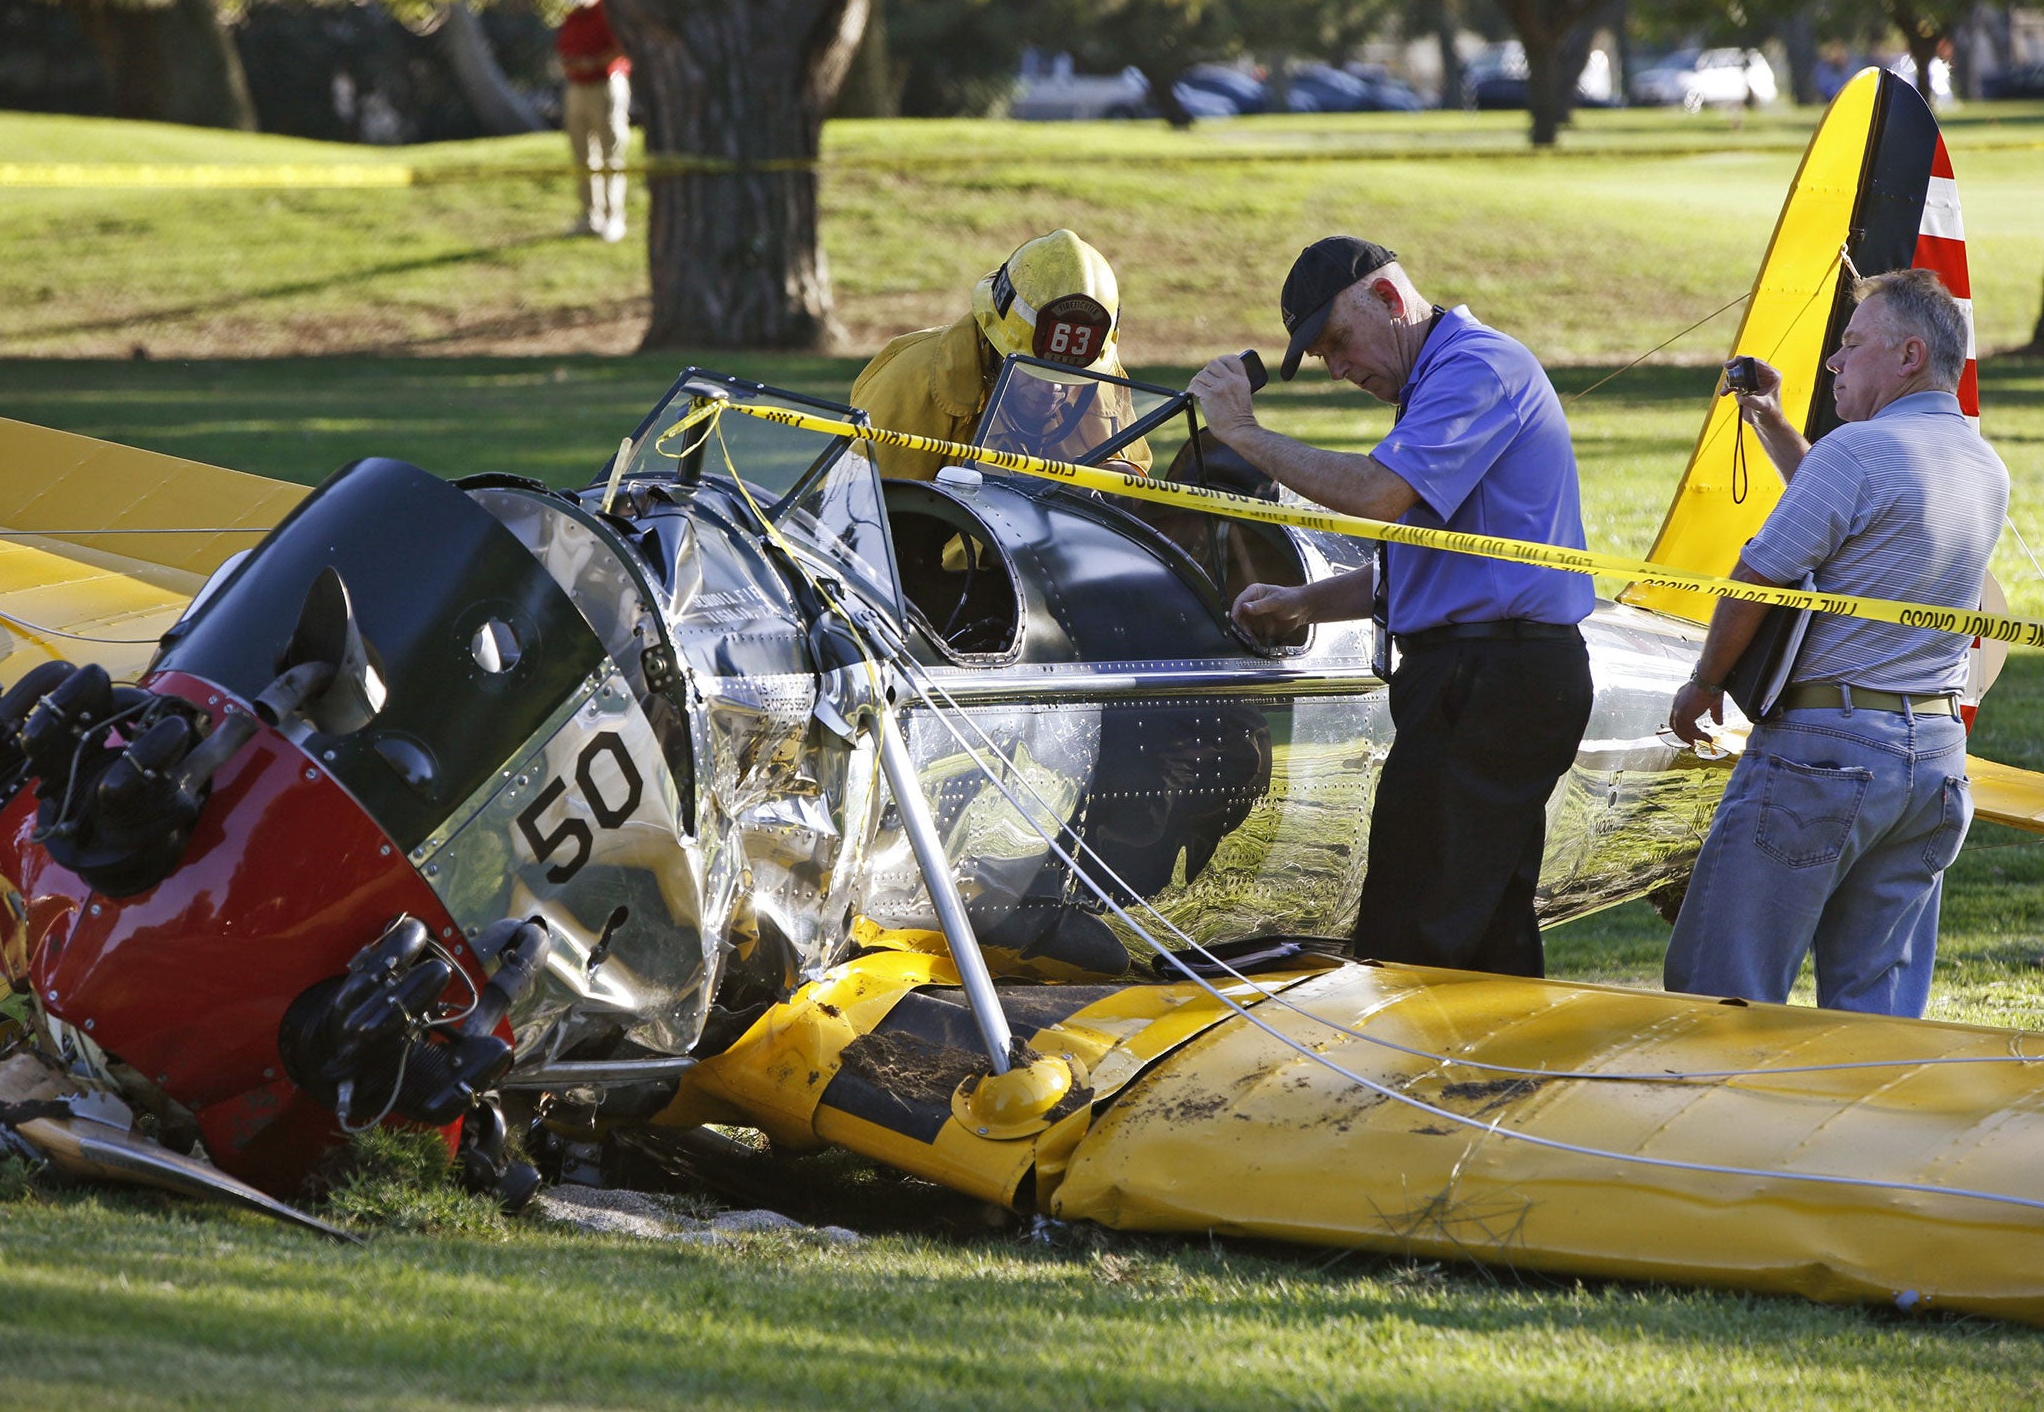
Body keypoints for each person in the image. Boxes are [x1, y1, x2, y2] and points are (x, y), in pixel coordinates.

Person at [1186, 236, 1594, 977]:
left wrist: (1242, 434)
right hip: (1490, 672)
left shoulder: (1477, 368)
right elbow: (1426, 562)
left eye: (1338, 341)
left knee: (1413, 929)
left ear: (1390, 299)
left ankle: (1411, 1083)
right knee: (1484, 929)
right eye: (1323, 358)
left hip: (1493, 676)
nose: (1339, 368)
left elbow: (1377, 495)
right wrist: (1303, 603)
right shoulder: (1440, 384)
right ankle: (1491, 1082)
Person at [1664, 269, 2007, 1016]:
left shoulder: (1857, 453)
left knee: (1725, 997)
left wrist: (1704, 683)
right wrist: (1771, 422)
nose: (1834, 361)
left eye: (1852, 344)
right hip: (1934, 764)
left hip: (1824, 756)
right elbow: (1853, 509)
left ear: (1909, 355)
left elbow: (1756, 575)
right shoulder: (1982, 464)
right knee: (1877, 1018)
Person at [850, 229, 1149, 482]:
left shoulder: (1101, 375)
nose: (1052, 389)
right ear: (994, 341)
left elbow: (1131, 493)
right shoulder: (912, 376)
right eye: (1033, 370)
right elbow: (858, 512)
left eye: (1072, 377)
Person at [555, 0, 630, 242]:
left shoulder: (609, 13)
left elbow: (622, 48)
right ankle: (590, 215)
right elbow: (564, 47)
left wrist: (593, 62)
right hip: (577, 87)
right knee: (582, 155)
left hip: (606, 86)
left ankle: (614, 216)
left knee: (611, 153)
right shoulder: (572, 16)